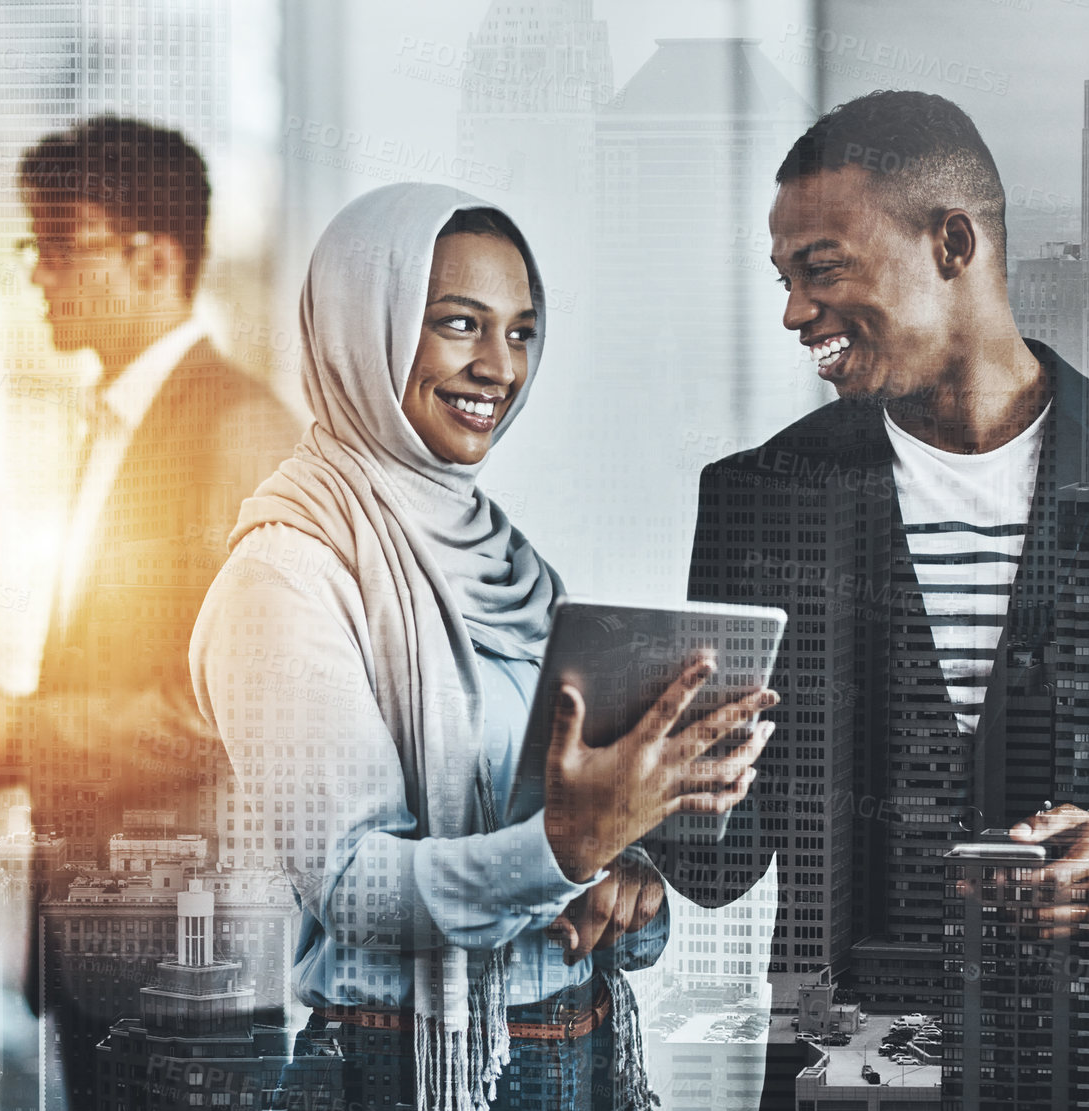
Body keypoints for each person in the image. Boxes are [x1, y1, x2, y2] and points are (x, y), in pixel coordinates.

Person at [651, 89, 1089, 1102]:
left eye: (821, 270)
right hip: (848, 1077)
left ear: (952, 243)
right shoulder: (755, 498)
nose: (793, 313)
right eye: (783, 280)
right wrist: (639, 769)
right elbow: (717, 866)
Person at [189, 183, 776, 1111]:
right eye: (460, 324)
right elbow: (352, 884)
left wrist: (624, 870)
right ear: (363, 327)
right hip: (404, 1072)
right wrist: (569, 843)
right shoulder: (285, 576)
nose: (500, 366)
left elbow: (550, 837)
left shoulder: (514, 564)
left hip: (574, 1045)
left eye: (522, 332)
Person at [9, 115, 301, 1103]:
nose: (38, 274)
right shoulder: (112, 423)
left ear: (152, 256)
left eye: (58, 246)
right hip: (102, 946)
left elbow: (227, 709)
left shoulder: (239, 429)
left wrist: (18, 732)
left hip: (193, 965)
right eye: (33, 247)